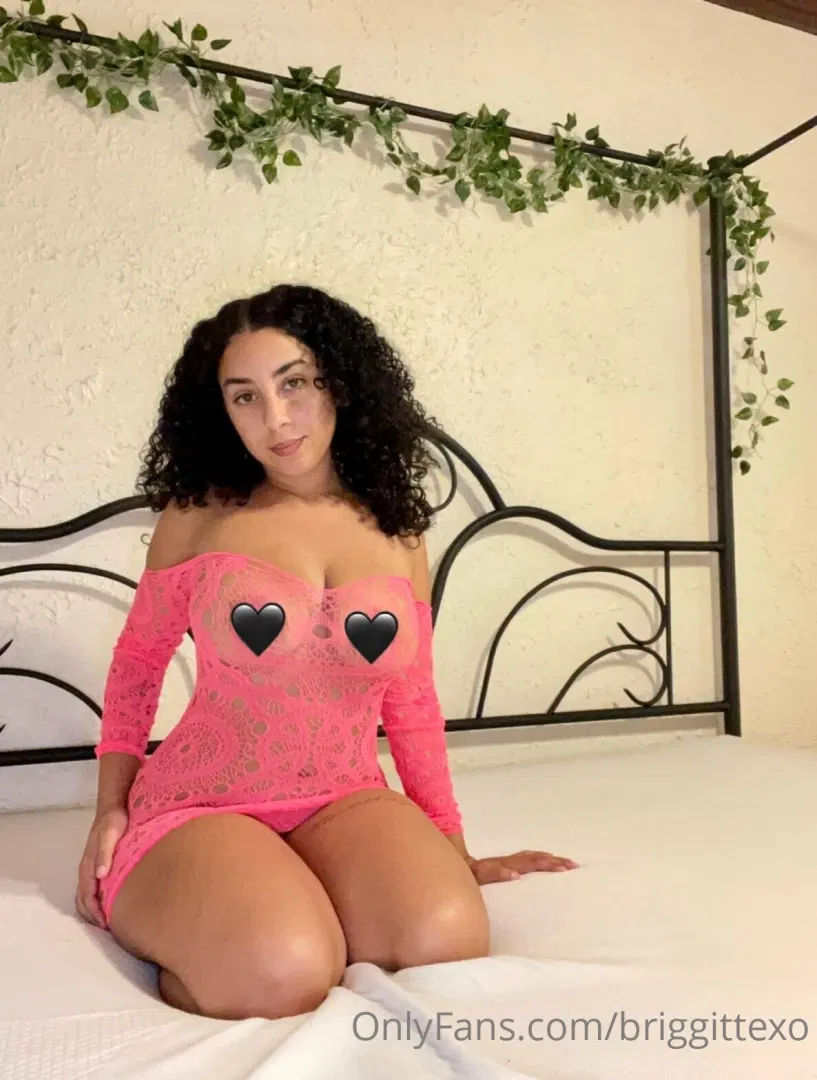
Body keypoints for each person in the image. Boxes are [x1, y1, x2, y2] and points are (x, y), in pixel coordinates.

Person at [74, 283, 578, 1022]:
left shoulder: (398, 531)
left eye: (295, 384)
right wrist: (109, 810)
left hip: (342, 794)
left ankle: (296, 887)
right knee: (283, 972)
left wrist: (452, 848)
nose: (276, 419)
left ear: (339, 381)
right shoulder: (198, 516)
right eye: (244, 397)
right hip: (203, 800)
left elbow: (411, 702)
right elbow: (138, 665)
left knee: (446, 936)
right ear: (220, 410)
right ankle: (200, 907)